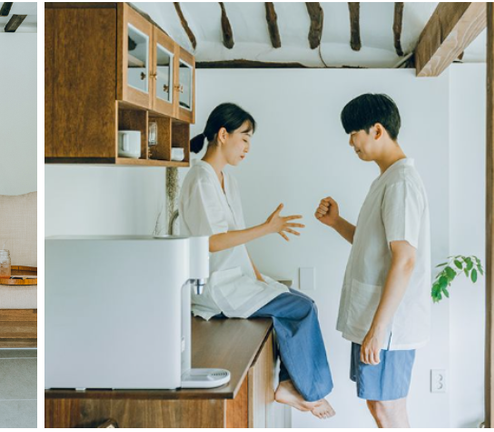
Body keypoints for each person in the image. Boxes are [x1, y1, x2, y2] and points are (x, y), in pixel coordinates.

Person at [178, 103, 336, 419]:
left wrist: (258, 277)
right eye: (245, 138)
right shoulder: (200, 180)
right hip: (216, 287)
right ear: (223, 135)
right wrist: (267, 228)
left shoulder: (227, 180)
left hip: (238, 279)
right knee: (302, 311)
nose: (248, 147)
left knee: (305, 302)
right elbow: (211, 243)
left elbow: (235, 238)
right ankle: (306, 391)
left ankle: (290, 383)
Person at [315, 93, 430, 428]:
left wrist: (378, 331)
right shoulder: (387, 180)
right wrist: (337, 222)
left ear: (376, 130)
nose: (351, 142)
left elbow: (405, 259)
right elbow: (373, 246)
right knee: (380, 405)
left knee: (387, 408)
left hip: (390, 324)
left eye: (354, 133)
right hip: (379, 320)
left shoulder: (401, 183)